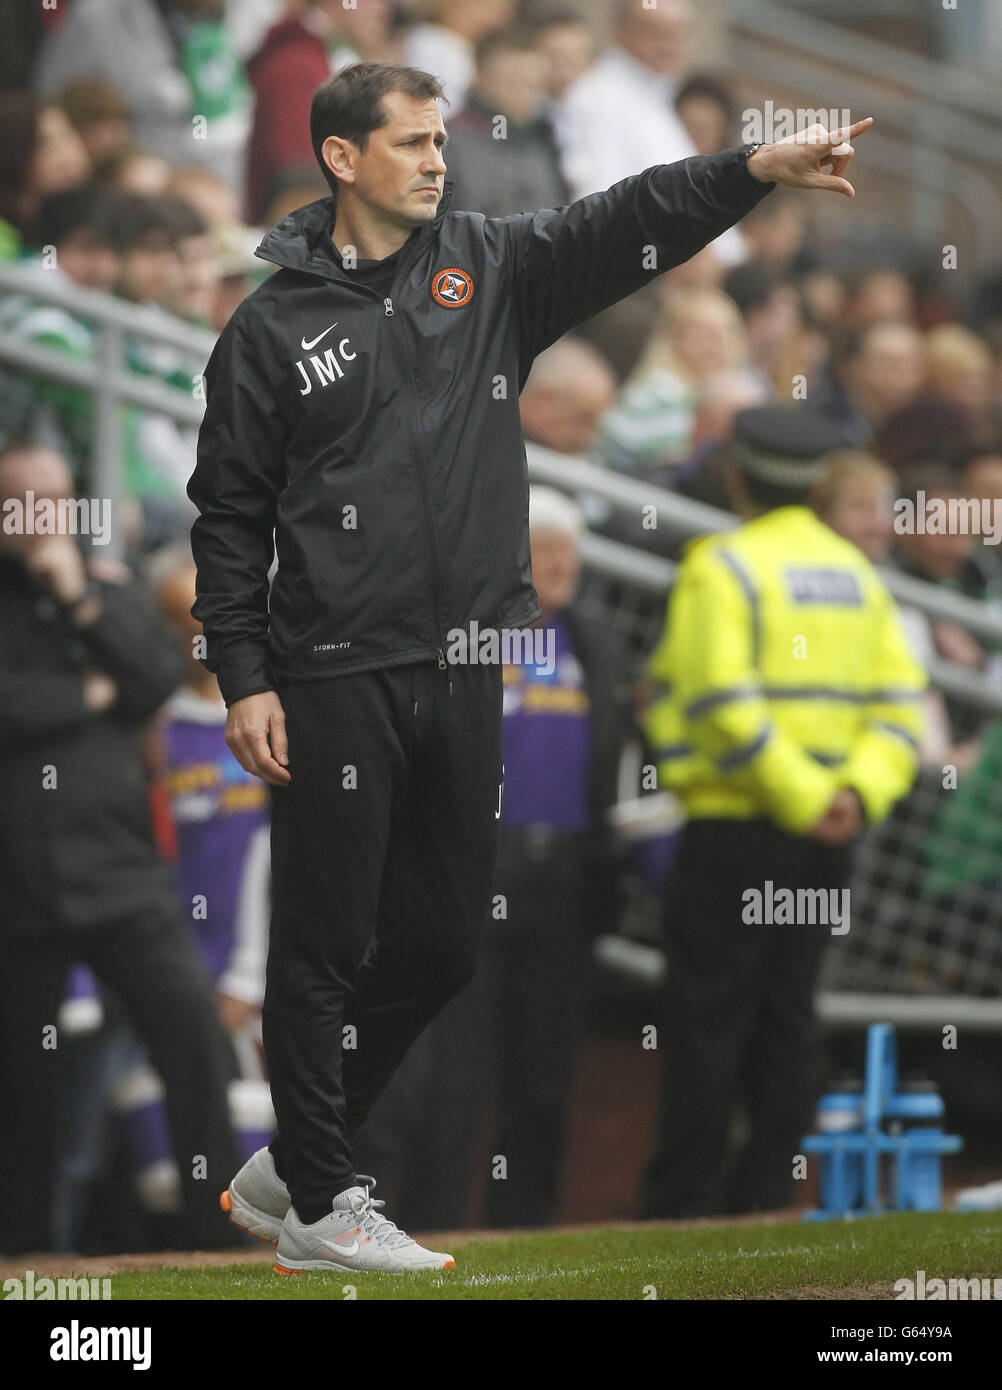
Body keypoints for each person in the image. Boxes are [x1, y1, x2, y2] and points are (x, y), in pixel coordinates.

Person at [185, 57, 875, 1272]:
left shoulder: (488, 267)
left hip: (464, 657)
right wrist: (244, 673)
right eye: (409, 144)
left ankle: (297, 1160)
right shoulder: (269, 329)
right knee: (324, 942)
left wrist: (751, 171)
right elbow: (228, 517)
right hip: (330, 664)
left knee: (447, 942)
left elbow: (629, 222)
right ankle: (325, 1200)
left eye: (440, 140)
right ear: (342, 159)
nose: (438, 160)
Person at [640, 406, 925, 1218]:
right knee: (790, 1019)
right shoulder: (858, 575)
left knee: (705, 1021)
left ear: (738, 476)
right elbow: (903, 712)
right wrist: (850, 797)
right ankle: (765, 1205)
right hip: (828, 841)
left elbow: (723, 704)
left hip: (735, 831)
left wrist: (800, 796)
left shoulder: (719, 566)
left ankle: (679, 1212)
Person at [0, 441, 243, 1253]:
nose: (42, 520)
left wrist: (75, 603)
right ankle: (27, 1257)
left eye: (54, 500)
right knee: (24, 1094)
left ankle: (216, 1238)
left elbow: (148, 679)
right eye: (22, 502)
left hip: (125, 881)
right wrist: (85, 692)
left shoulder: (106, 590)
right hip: (21, 889)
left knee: (194, 1044)